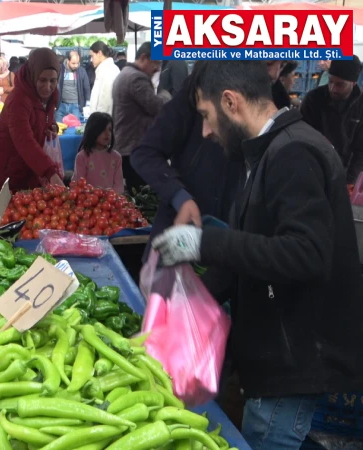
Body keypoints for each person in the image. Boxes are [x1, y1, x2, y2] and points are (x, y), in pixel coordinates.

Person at [153, 60, 363, 450]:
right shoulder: (267, 152)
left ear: (230, 102)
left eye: (206, 116)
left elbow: (308, 253)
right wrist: (186, 301)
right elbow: (251, 247)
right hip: (276, 348)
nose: (205, 131)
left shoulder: (294, 153)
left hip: (294, 358)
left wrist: (206, 244)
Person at [131, 60, 291, 260]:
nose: (206, 131)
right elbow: (145, 152)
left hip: (229, 245)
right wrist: (179, 196)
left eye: (277, 65)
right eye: (203, 115)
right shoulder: (199, 89)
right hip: (182, 233)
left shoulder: (282, 121)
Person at [0, 48, 64, 196]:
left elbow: (42, 119)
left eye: (53, 81)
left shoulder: (48, 98)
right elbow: (24, 139)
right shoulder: (19, 99)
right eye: (42, 80)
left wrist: (50, 127)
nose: (48, 87)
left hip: (19, 172)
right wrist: (49, 172)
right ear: (33, 75)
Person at [111, 42, 169, 193]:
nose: (157, 68)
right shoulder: (137, 79)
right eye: (156, 63)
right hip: (134, 147)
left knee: (134, 192)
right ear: (143, 58)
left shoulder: (124, 73)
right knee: (142, 195)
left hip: (125, 145)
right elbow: (156, 107)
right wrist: (165, 95)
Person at [301, 56, 363, 183]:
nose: (333, 89)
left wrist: (350, 181)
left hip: (346, 171)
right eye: (330, 81)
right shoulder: (313, 100)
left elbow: (361, 150)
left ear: (353, 82)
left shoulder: (361, 105)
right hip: (313, 169)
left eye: (340, 85)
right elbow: (302, 140)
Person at [72, 112, 123, 192]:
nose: (107, 134)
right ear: (92, 131)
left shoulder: (116, 157)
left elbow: (119, 185)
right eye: (103, 130)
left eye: (109, 129)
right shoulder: (82, 157)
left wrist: (111, 199)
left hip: (111, 202)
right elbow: (78, 185)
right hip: (88, 201)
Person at [56, 50, 91, 123]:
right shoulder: (59, 69)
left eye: (77, 63)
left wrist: (88, 103)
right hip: (61, 105)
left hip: (76, 106)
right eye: (73, 63)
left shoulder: (82, 71)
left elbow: (86, 87)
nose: (76, 65)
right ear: (68, 60)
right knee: (58, 128)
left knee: (75, 129)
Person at [88, 41, 119, 115]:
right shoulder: (104, 69)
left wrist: (99, 122)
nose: (91, 60)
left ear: (99, 53)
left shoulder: (108, 70)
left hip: (104, 120)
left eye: (92, 56)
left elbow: (105, 102)